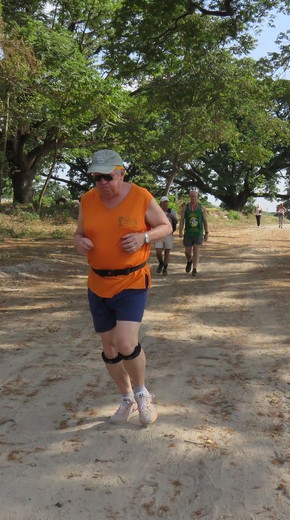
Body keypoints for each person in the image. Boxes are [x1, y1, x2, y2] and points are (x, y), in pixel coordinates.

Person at [73, 149, 173, 426]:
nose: (102, 183)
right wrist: (79, 242)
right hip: (98, 282)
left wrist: (144, 237)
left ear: (121, 173)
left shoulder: (141, 196)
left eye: (108, 177)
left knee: (126, 342)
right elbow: (78, 234)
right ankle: (127, 398)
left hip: (132, 280)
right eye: (97, 178)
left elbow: (165, 226)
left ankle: (142, 394)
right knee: (109, 348)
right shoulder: (87, 200)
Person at [179, 187, 209, 276]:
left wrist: (206, 232)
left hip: (198, 233)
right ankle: (189, 260)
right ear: (189, 197)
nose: (193, 198)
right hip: (188, 233)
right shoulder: (185, 207)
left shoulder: (202, 208)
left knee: (196, 249)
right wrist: (180, 231)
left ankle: (194, 268)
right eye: (191, 196)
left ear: (197, 197)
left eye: (194, 197)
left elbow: (205, 221)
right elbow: (182, 220)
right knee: (187, 252)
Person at [155, 196, 177, 275]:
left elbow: (176, 221)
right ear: (160, 203)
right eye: (164, 202)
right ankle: (161, 262)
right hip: (159, 233)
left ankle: (165, 268)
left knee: (167, 251)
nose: (165, 203)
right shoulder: (157, 211)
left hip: (168, 234)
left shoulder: (171, 211)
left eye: (166, 202)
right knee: (158, 252)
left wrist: (171, 216)